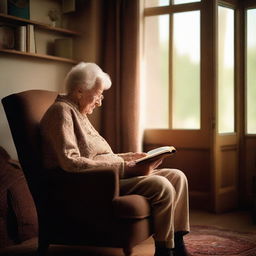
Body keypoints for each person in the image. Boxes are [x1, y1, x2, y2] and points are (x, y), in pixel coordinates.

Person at [40, 62, 190, 256]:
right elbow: (71, 162)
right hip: (95, 182)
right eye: (99, 94)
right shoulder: (61, 112)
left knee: (178, 177)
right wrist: (124, 166)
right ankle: (164, 249)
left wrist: (130, 157)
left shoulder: (78, 112)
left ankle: (177, 242)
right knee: (161, 185)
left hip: (109, 174)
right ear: (79, 91)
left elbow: (97, 154)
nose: (100, 101)